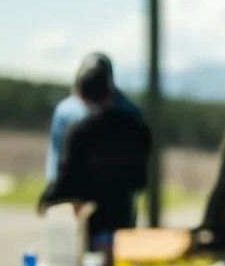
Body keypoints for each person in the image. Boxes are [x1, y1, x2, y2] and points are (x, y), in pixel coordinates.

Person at [39, 52, 152, 250]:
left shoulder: (69, 116)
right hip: (115, 208)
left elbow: (60, 165)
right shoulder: (133, 118)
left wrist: (52, 196)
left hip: (87, 207)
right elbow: (140, 177)